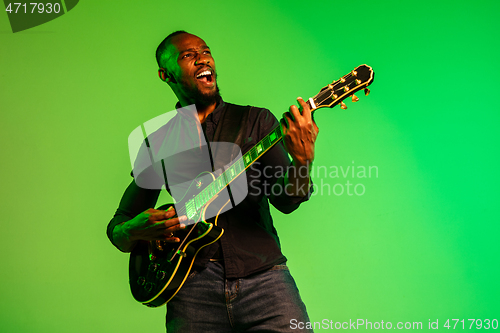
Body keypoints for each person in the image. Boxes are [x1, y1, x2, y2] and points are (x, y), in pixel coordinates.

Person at [107, 30, 319, 332]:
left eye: (205, 51)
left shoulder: (255, 121)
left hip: (265, 281)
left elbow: (286, 201)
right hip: (191, 291)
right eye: (188, 55)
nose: (203, 58)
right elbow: (121, 222)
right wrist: (132, 230)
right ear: (165, 75)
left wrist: (302, 162)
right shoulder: (158, 144)